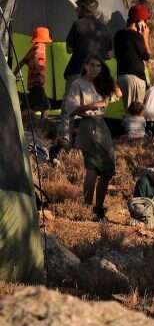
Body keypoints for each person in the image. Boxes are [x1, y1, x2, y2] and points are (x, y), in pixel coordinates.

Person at [62, 55, 118, 219]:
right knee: (93, 166)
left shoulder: (100, 84)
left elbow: (118, 94)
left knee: (107, 168)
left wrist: (109, 79)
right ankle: (87, 208)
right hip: (88, 124)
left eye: (98, 66)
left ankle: (98, 208)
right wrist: (92, 105)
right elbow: (71, 109)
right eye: (92, 65)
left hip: (101, 124)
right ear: (85, 66)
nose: (95, 69)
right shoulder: (78, 84)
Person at [113, 2, 152, 115]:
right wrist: (145, 37)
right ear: (139, 22)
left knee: (128, 111)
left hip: (122, 76)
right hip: (135, 78)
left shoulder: (118, 35)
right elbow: (147, 56)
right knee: (135, 114)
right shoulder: (136, 37)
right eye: (145, 21)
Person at [64, 0, 112, 80]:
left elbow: (69, 49)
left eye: (79, 7)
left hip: (77, 72)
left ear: (84, 9)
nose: (76, 10)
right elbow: (109, 55)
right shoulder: (105, 28)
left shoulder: (78, 24)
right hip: (97, 76)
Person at [15, 26, 52, 114]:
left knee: (46, 106)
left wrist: (14, 73)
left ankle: (42, 122)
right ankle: (22, 113)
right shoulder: (41, 48)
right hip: (37, 83)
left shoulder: (34, 48)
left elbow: (22, 61)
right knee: (37, 106)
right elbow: (38, 62)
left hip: (34, 83)